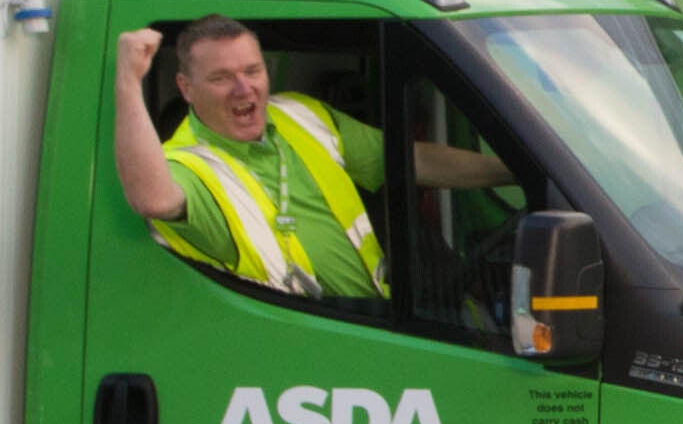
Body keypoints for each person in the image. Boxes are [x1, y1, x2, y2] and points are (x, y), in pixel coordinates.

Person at [113, 16, 513, 301]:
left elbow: (413, 162)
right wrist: (129, 82)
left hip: (369, 322)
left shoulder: (299, 114)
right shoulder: (190, 162)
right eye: (221, 78)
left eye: (252, 71)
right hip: (291, 345)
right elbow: (154, 199)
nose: (243, 89)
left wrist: (515, 172)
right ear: (186, 87)